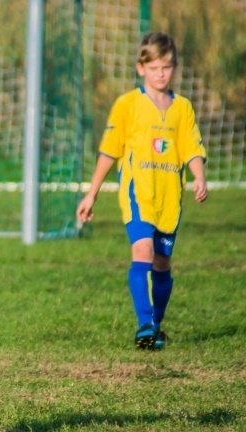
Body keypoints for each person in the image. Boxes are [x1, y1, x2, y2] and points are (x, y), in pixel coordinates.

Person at [77, 32, 207, 350]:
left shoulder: (182, 108)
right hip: (138, 192)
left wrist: (199, 177)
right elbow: (109, 150)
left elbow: (191, 146)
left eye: (166, 67)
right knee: (143, 252)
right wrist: (91, 193)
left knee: (162, 262)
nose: (160, 74)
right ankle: (145, 325)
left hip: (169, 197)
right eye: (154, 68)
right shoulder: (128, 105)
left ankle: (156, 325)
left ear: (174, 68)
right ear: (140, 68)